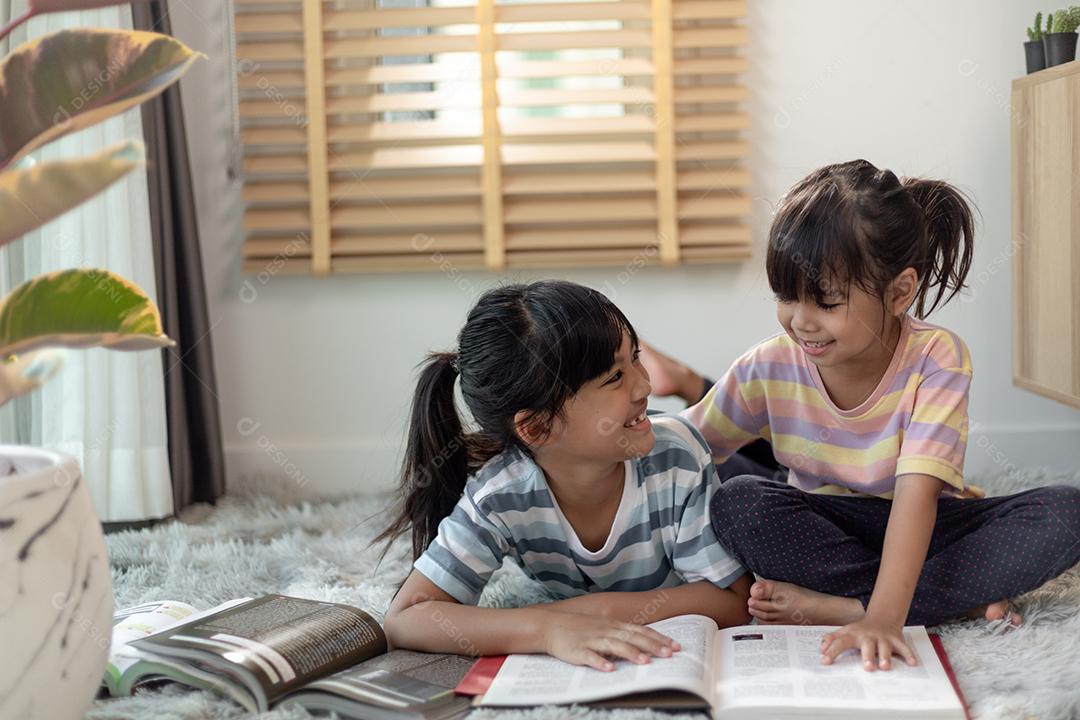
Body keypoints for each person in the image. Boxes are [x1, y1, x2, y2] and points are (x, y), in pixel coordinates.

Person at [678, 159, 1080, 672]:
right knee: (738, 502)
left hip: (924, 522)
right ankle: (951, 603)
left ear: (899, 292)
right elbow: (688, 445)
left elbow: (917, 496)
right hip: (824, 523)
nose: (800, 321)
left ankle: (848, 606)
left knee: (1067, 513)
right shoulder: (769, 364)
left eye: (825, 302)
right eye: (785, 296)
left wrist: (881, 618)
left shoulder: (937, 357)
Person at [376, 280, 752, 672]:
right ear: (537, 428)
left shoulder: (677, 457)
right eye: (614, 377)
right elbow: (406, 619)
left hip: (728, 467)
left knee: (763, 475)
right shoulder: (500, 494)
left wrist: (592, 611)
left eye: (635, 357)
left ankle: (691, 382)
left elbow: (732, 599)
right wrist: (547, 629)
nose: (644, 384)